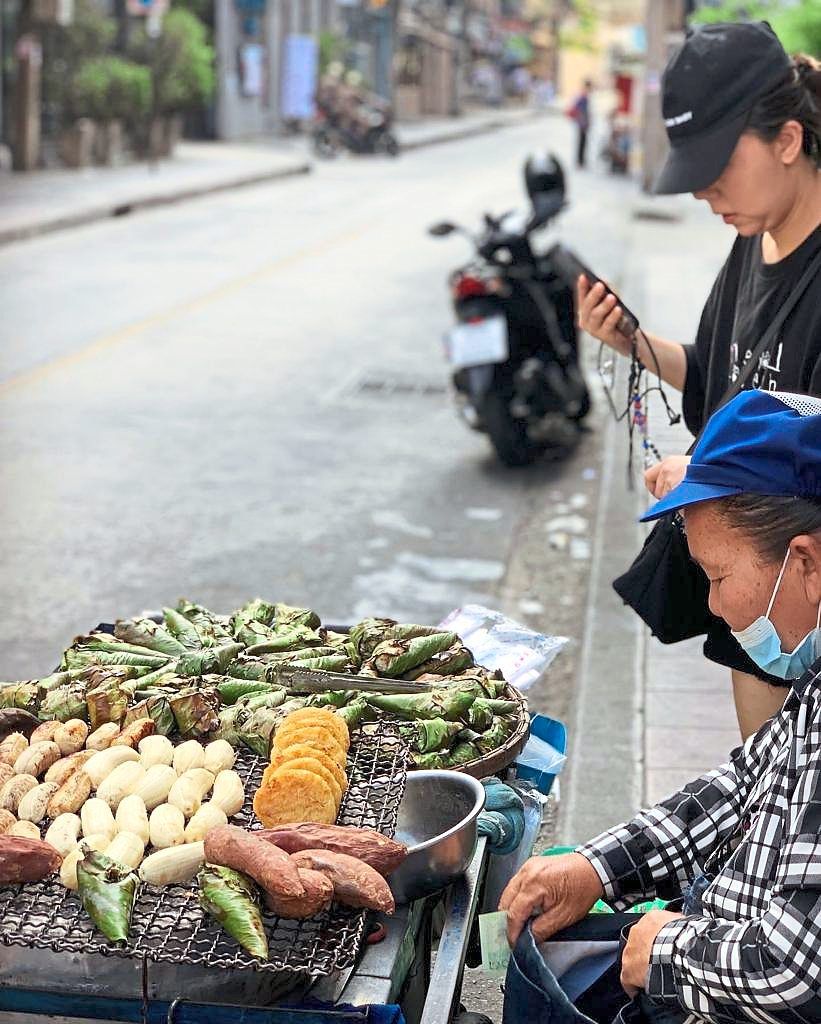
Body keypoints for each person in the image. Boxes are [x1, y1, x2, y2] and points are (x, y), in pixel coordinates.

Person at [500, 389, 821, 1024]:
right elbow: (746, 783)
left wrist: (667, 948)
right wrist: (598, 868)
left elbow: (797, 971)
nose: (715, 607)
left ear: (806, 562)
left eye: (719, 577)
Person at [578, 22, 821, 740]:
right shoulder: (752, 242)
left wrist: (719, 473)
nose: (704, 194)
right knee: (761, 802)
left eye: (718, 167)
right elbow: (721, 369)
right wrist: (630, 340)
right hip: (758, 610)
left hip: (802, 599)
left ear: (786, 139)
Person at [567, 79, 593, 168]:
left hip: (582, 122)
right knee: (582, 142)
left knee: (582, 142)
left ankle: (580, 160)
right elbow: (581, 111)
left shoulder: (583, 95)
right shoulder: (583, 96)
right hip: (582, 123)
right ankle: (580, 161)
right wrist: (585, 122)